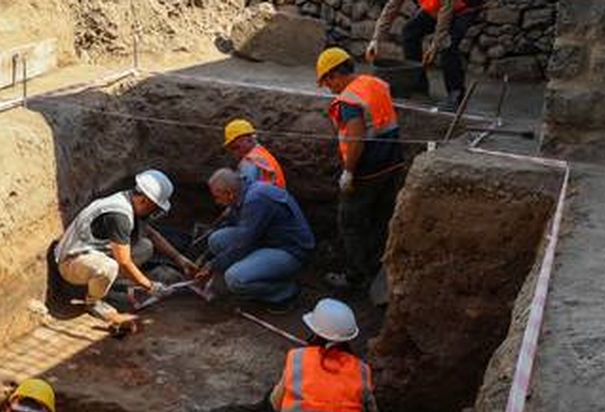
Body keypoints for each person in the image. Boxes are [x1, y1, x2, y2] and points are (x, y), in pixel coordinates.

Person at [55, 169, 198, 327]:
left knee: (145, 247)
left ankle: (105, 284)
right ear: (145, 200)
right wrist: (150, 286)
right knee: (109, 267)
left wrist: (179, 259)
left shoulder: (130, 199)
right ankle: (93, 302)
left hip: (92, 254)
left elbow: (152, 235)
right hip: (71, 262)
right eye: (155, 207)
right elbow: (124, 262)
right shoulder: (119, 216)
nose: (155, 212)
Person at [315, 48, 405, 292]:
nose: (328, 88)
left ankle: (355, 276)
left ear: (335, 74)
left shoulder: (348, 101)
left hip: (367, 170)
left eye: (327, 81)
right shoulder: (375, 83)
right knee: (380, 218)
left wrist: (349, 172)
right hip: (392, 162)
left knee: (350, 222)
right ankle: (376, 264)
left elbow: (356, 138)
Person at [269, 299, 386, 412]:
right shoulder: (361, 369)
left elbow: (275, 405)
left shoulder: (298, 359)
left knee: (271, 411)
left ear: (314, 332)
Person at [195, 168, 315, 311]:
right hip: (266, 239)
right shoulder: (243, 192)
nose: (217, 202)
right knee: (216, 239)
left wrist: (213, 265)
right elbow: (236, 228)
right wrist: (207, 257)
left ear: (230, 193)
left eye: (218, 197)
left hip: (290, 250)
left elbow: (243, 243)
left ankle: (286, 292)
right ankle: (253, 272)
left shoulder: (256, 199)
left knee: (234, 279)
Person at [367, 0, 483, 110]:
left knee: (447, 44)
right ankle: (418, 85)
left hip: (463, 8)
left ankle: (455, 93)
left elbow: (446, 10)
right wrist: (376, 39)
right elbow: (391, 7)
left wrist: (435, 45)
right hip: (437, 6)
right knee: (410, 32)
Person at [224, 118, 287, 188]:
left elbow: (246, 189)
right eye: (232, 149)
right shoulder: (262, 153)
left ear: (249, 139)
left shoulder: (250, 160)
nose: (236, 153)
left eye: (236, 147)